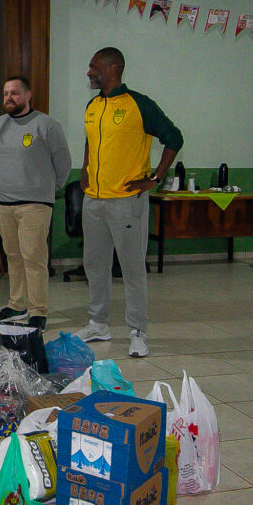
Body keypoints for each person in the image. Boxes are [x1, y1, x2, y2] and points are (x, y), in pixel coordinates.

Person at [78, 48, 183, 357]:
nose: (89, 72)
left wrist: (154, 178)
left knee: (132, 268)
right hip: (93, 200)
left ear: (112, 69)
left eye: (93, 67)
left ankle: (137, 331)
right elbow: (90, 140)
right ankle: (98, 324)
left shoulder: (139, 105)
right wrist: (85, 170)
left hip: (126, 201)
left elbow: (174, 138)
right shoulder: (93, 105)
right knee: (95, 266)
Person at [0, 76, 71, 331]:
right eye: (5, 93)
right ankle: (16, 305)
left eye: (14, 93)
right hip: (4, 204)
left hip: (35, 204)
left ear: (27, 95)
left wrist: (47, 189)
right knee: (13, 256)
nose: (8, 98)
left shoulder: (46, 125)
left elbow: (63, 163)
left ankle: (38, 311)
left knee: (33, 257)